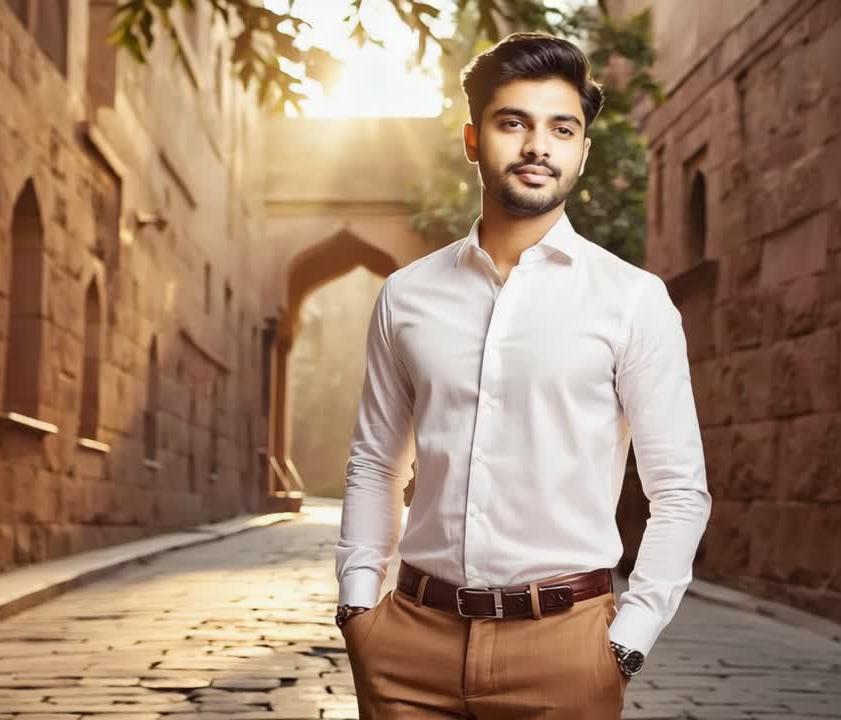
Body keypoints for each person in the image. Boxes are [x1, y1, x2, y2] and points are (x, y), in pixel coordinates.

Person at [334, 31, 711, 719]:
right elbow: (376, 462)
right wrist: (358, 606)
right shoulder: (408, 295)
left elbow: (680, 491)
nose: (539, 146)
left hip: (564, 653)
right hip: (410, 647)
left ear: (582, 152)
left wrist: (626, 643)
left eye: (561, 129)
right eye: (513, 123)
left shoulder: (631, 300)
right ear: (473, 139)